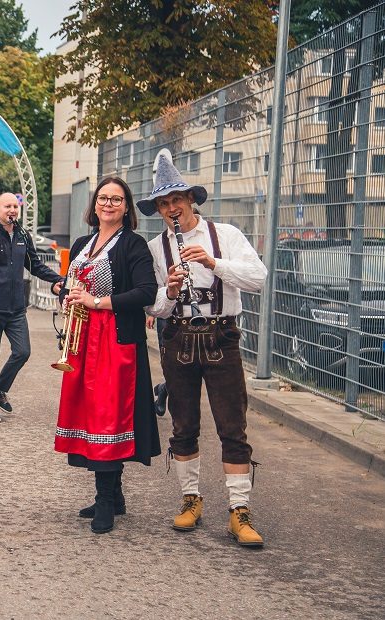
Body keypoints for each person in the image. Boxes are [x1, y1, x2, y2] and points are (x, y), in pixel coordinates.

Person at [138, 149, 268, 548]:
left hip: (222, 336)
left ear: (191, 199)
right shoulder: (157, 247)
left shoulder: (224, 235)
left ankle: (239, 510)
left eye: (177, 199)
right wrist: (170, 290)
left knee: (232, 425)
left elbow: (258, 278)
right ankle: (190, 499)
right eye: (164, 203)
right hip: (178, 337)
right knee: (184, 425)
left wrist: (213, 264)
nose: (171, 208)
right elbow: (153, 307)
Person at [54, 176, 161, 534]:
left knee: (107, 416)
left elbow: (146, 292)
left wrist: (97, 302)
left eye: (116, 199)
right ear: (94, 204)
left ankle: (105, 502)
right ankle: (114, 496)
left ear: (127, 207)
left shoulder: (133, 245)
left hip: (114, 342)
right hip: (83, 341)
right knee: (89, 414)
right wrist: (67, 294)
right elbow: (72, 284)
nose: (109, 204)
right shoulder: (84, 242)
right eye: (103, 198)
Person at [0, 192, 64, 423]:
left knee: (23, 352)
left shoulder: (22, 234)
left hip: (16, 309)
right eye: (7, 206)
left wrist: (60, 279)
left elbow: (35, 265)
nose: (12, 210)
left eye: (15, 206)